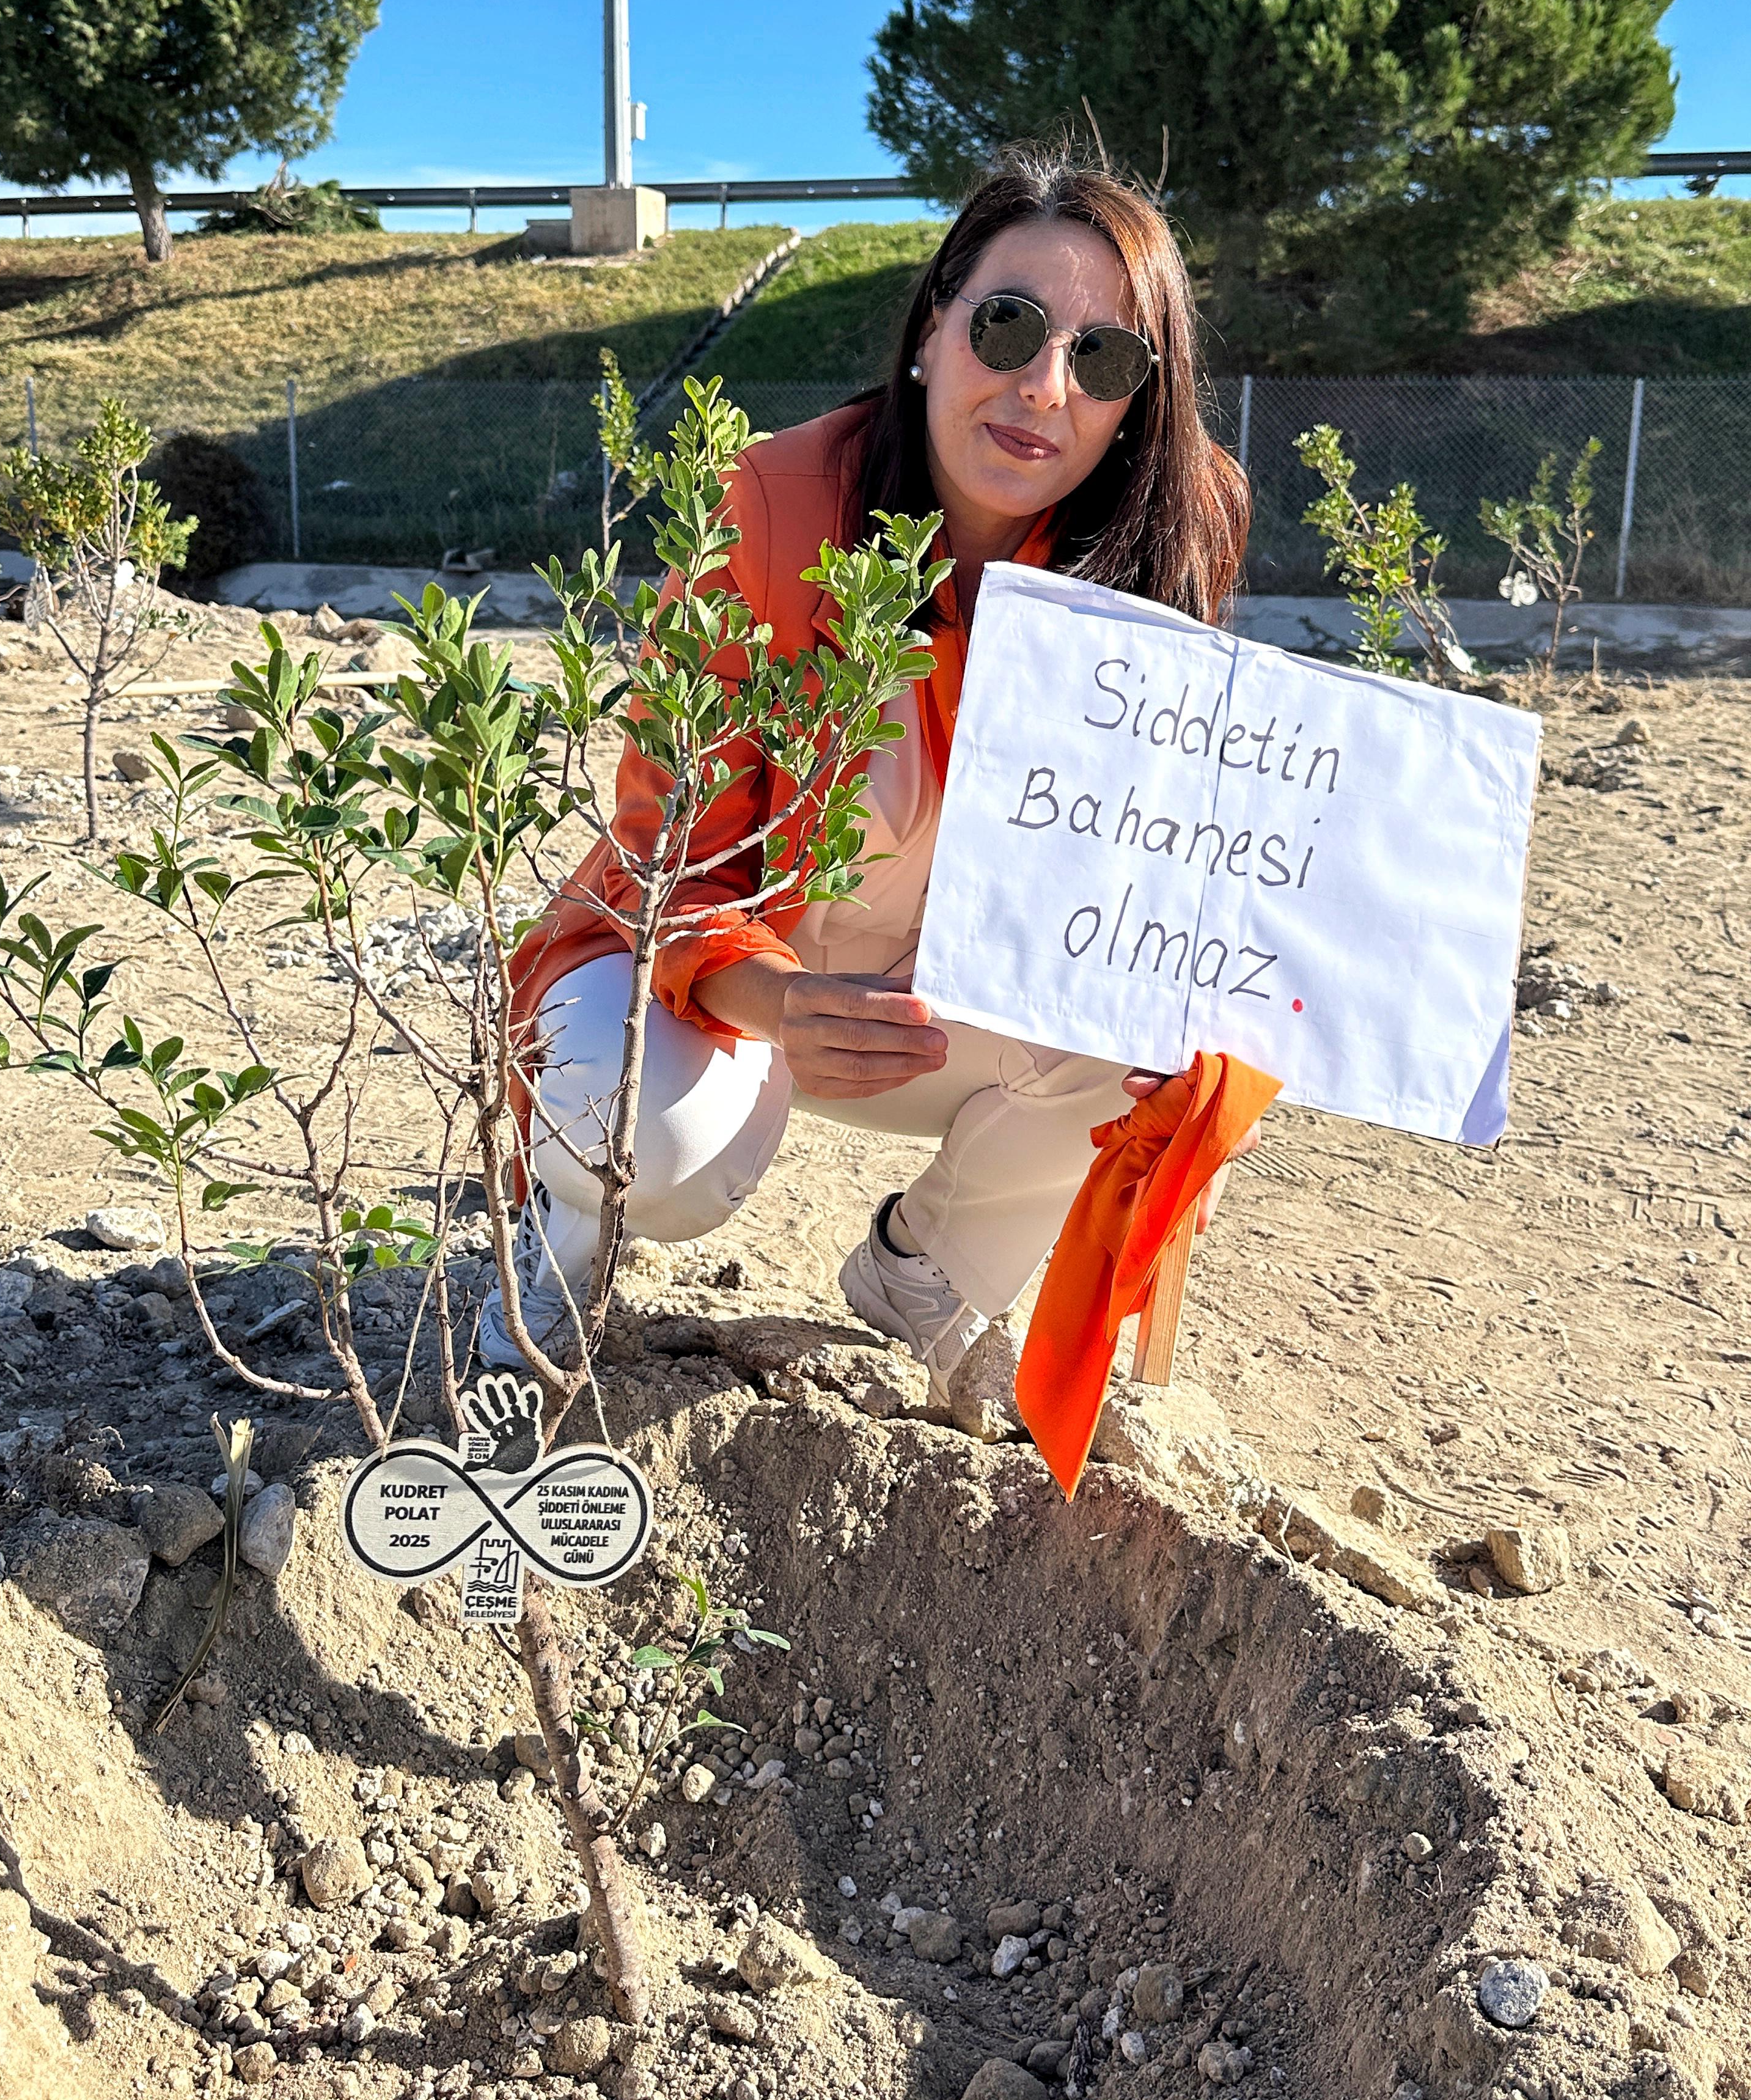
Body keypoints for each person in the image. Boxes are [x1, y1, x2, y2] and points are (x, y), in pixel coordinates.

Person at [487, 145, 1259, 1400]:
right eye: (1009, 328)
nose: (1045, 388)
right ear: (934, 327)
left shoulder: (1180, 528)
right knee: (655, 1147)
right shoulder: (775, 502)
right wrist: (779, 1002)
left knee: (1194, 1047)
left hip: (949, 1001)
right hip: (744, 964)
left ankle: (931, 1267)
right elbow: (667, 854)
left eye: (1105, 360)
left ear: (1139, 401)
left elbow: (1165, 862)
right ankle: (562, 1232)